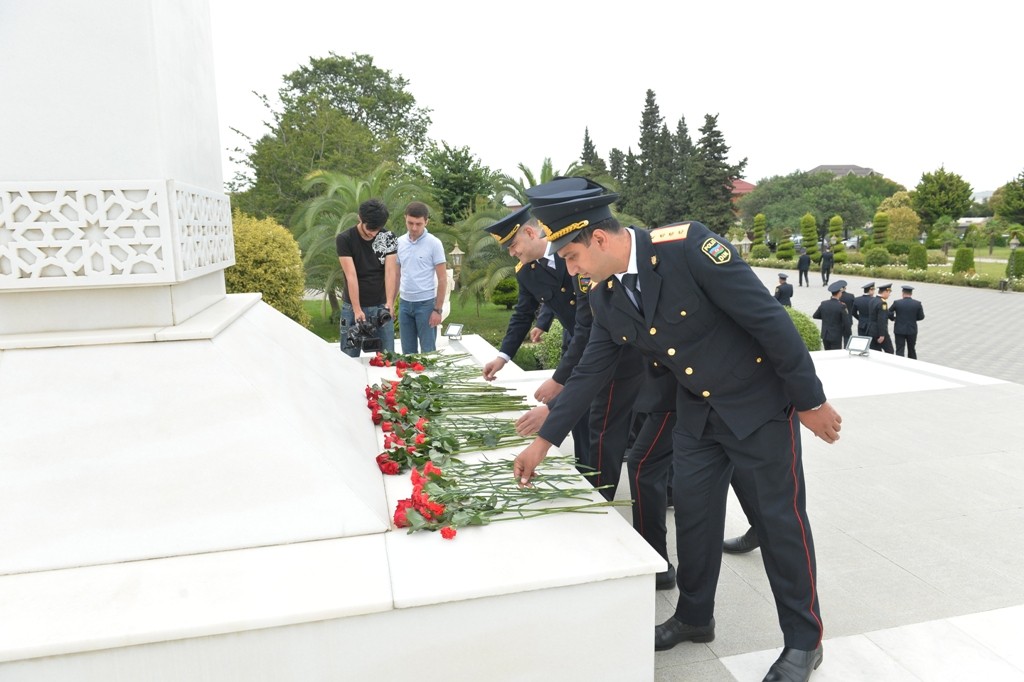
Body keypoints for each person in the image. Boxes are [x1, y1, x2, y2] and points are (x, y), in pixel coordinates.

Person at [515, 183, 841, 682]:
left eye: (575, 256)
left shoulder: (687, 247)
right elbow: (590, 372)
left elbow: (769, 320)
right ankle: (694, 616)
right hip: (696, 414)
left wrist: (810, 401)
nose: (573, 269)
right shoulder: (604, 295)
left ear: (601, 239)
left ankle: (803, 641)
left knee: (780, 522)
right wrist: (543, 442)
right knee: (694, 516)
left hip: (757, 407)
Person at [336, 199, 397, 357]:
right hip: (352, 309)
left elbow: (391, 272)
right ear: (359, 218)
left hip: (380, 306)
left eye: (377, 229)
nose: (373, 233)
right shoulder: (345, 239)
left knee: (387, 358)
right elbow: (351, 275)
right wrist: (357, 309)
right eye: (369, 228)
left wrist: (390, 302)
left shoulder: (387, 237)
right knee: (348, 361)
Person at [396, 201, 447, 353]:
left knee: (428, 353)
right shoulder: (399, 242)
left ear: (426, 221)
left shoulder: (434, 244)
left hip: (425, 305)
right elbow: (396, 275)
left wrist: (437, 310)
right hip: (404, 304)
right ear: (405, 218)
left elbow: (443, 279)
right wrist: (390, 304)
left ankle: (429, 377)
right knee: (408, 354)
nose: (414, 228)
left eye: (418, 224)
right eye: (410, 223)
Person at [889, 285, 925, 359]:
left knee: (899, 349)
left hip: (899, 330)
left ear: (903, 293)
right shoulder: (917, 303)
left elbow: (888, 312)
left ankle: (899, 365)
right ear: (911, 294)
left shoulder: (897, 303)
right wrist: (913, 319)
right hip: (912, 330)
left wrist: (894, 318)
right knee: (911, 349)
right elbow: (921, 317)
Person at [813, 281, 851, 350]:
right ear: (839, 293)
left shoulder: (824, 303)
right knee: (836, 355)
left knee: (827, 354)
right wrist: (849, 335)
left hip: (825, 334)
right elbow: (846, 323)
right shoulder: (842, 306)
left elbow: (815, 316)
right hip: (835, 335)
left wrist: (826, 317)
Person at [866, 283, 894, 353]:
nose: (889, 294)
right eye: (889, 292)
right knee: (890, 352)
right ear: (885, 292)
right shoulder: (883, 303)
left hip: (871, 330)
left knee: (875, 352)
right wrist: (882, 335)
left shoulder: (872, 300)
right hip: (879, 332)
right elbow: (882, 319)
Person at [837, 281, 856, 349]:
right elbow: (854, 308)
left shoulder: (837, 296)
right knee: (847, 337)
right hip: (848, 319)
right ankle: (846, 350)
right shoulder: (851, 296)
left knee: (838, 338)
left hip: (838, 321)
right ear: (845, 288)